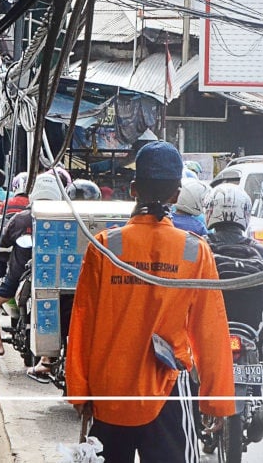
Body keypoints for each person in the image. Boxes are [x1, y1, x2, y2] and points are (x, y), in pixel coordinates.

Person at [66, 141, 234, 462]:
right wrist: (216, 400)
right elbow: (210, 329)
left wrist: (79, 389)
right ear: (176, 195)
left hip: (109, 391)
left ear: (133, 190)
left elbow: (82, 322)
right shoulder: (194, 250)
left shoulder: (105, 245)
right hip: (167, 392)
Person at [0, 173, 61, 363]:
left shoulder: (21, 218)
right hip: (56, 281)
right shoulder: (65, 219)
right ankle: (48, 359)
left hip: (17, 278)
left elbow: (2, 243)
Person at [204, 183, 263, 328]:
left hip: (209, 330)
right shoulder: (262, 253)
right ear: (245, 212)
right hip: (248, 330)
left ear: (210, 210)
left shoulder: (200, 247)